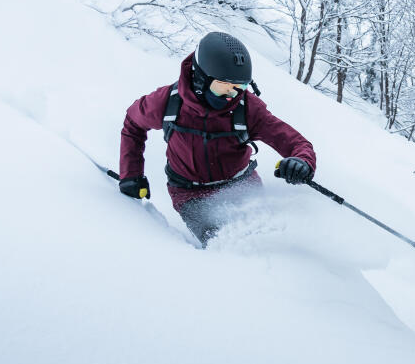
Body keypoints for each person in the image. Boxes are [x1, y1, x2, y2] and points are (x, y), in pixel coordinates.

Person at [118, 32, 316, 246]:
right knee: (229, 245)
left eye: (240, 87)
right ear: (201, 77)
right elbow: (133, 123)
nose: (232, 95)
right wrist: (131, 174)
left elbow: (296, 143)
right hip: (190, 194)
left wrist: (302, 162)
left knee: (272, 241)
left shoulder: (247, 109)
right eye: (223, 86)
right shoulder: (168, 103)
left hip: (241, 184)